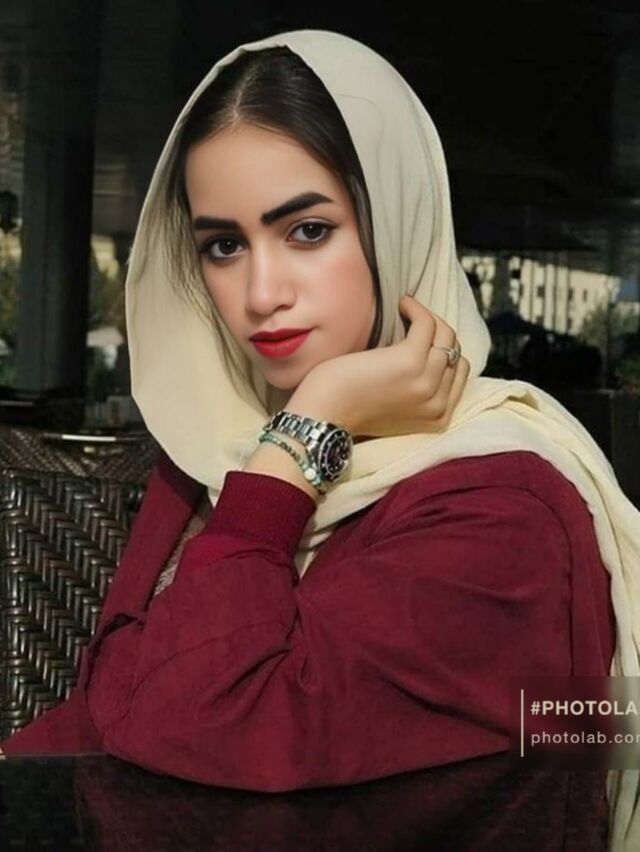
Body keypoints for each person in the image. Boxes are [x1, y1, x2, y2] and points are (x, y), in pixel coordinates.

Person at [1, 28, 639, 849]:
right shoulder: (214, 459)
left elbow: (197, 728)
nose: (261, 294)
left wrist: (311, 428)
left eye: (307, 230)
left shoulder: (506, 513)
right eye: (224, 245)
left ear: (393, 222)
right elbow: (110, 704)